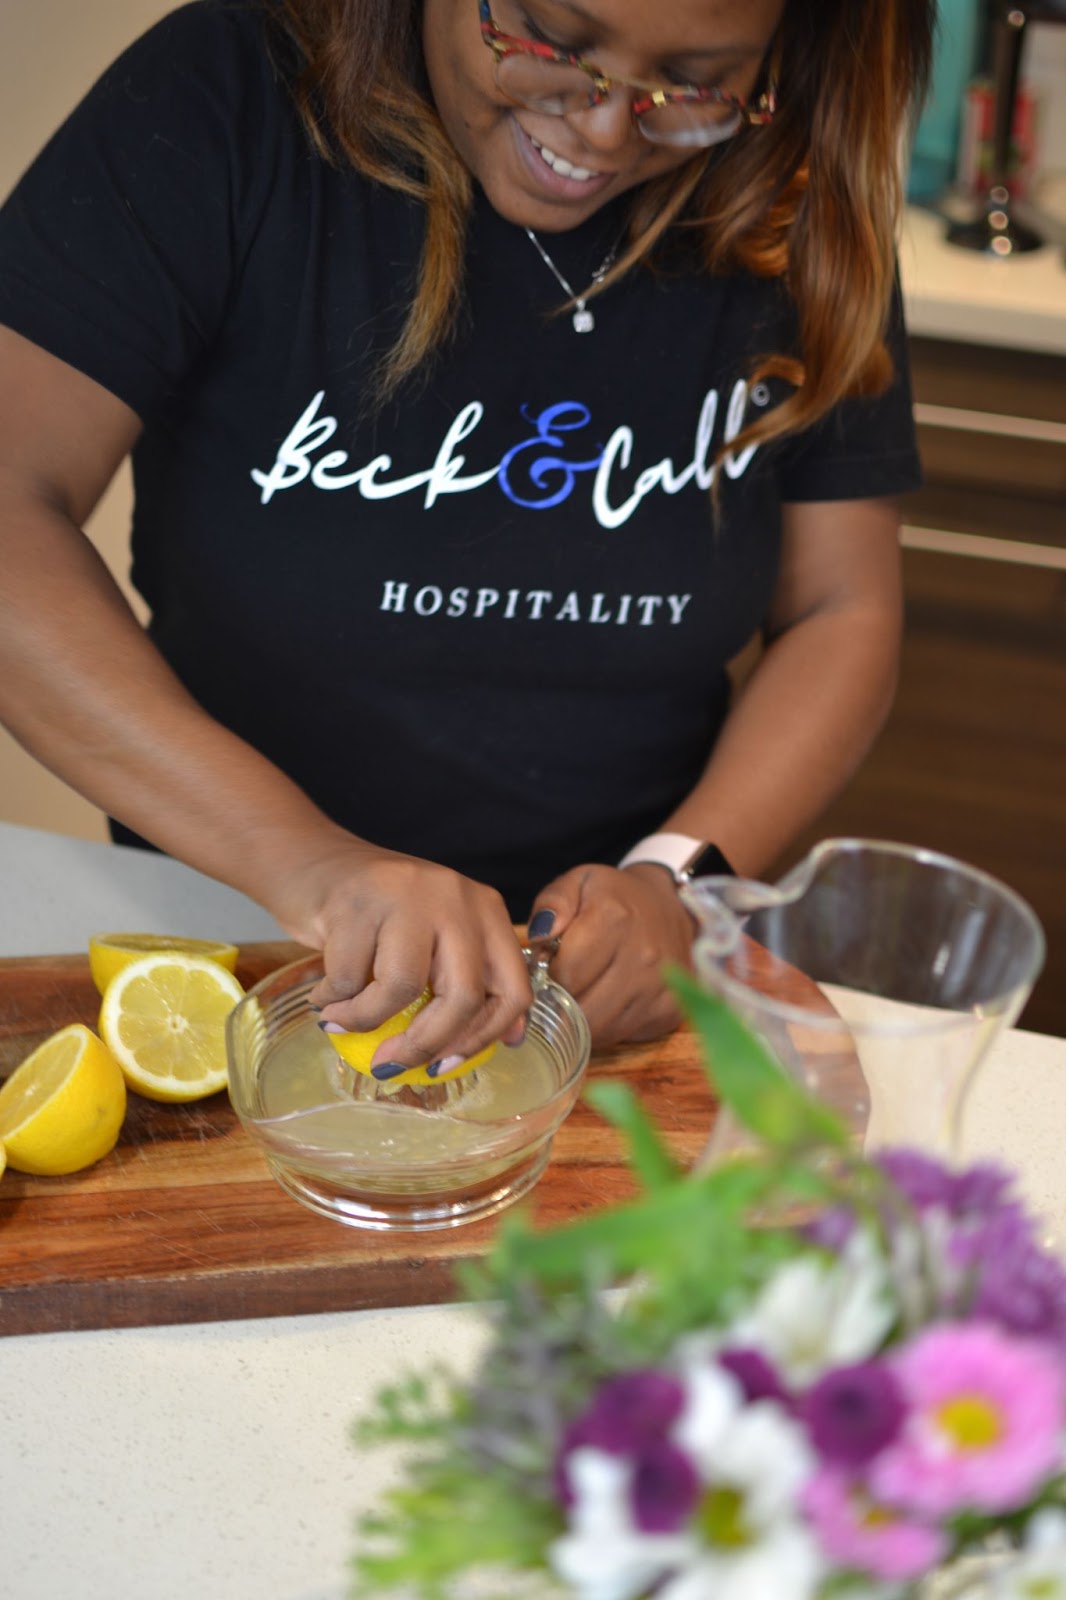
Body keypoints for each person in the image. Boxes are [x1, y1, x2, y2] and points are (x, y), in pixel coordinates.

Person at [0, 0, 930, 1077]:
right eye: (550, 40)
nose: (605, 130)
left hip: (609, 985)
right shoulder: (228, 90)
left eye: (695, 82)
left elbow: (840, 608)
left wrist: (676, 880)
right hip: (227, 926)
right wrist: (309, 863)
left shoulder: (791, 184)